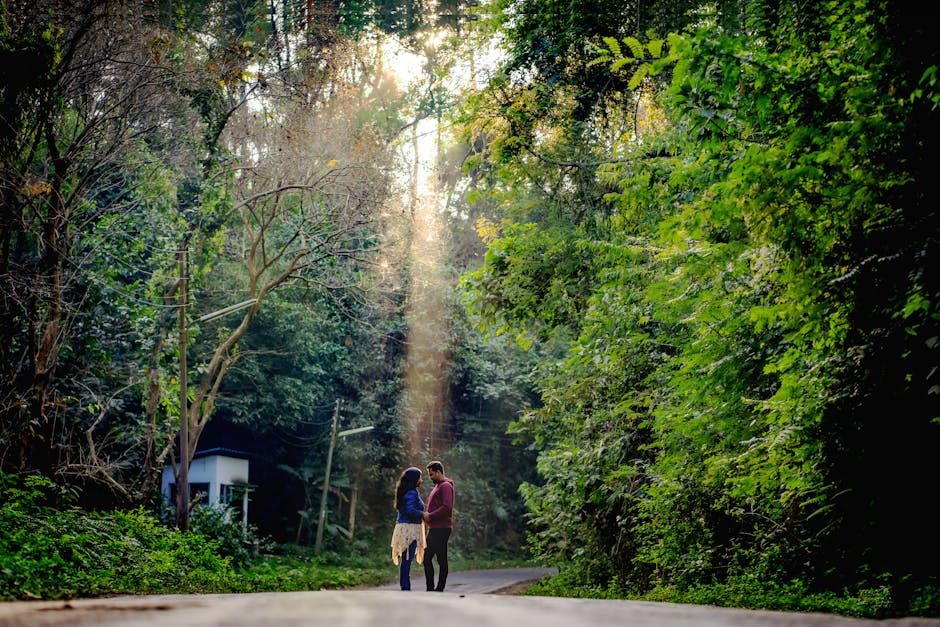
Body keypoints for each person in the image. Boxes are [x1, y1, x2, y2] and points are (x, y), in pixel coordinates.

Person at [390, 466, 426, 590]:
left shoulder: (407, 491)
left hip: (405, 527)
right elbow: (410, 510)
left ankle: (405, 585)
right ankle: (405, 586)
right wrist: (423, 514)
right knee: (407, 559)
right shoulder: (411, 492)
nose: (421, 480)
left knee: (406, 559)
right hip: (409, 529)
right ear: (414, 480)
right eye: (419, 478)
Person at [422, 460, 454, 592]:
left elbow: (447, 507)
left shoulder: (445, 486)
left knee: (429, 558)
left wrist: (430, 516)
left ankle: (435, 589)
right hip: (436, 527)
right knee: (440, 558)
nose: (430, 478)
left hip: (441, 528)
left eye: (431, 474)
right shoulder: (438, 486)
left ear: (439, 472)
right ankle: (436, 589)